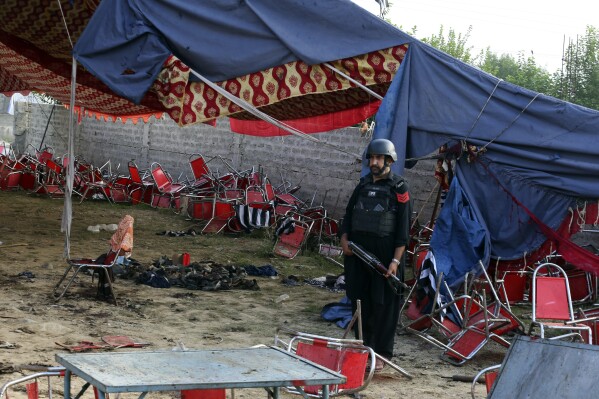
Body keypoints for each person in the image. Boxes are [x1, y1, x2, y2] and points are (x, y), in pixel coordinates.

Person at [339, 138, 411, 371]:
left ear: (389, 160)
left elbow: (403, 229)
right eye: (372, 158)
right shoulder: (362, 185)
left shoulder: (399, 188)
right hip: (358, 258)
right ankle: (362, 348)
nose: (374, 162)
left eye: (379, 158)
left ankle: (381, 353)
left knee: (384, 307)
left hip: (386, 261)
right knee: (360, 303)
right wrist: (344, 241)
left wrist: (395, 261)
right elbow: (348, 217)